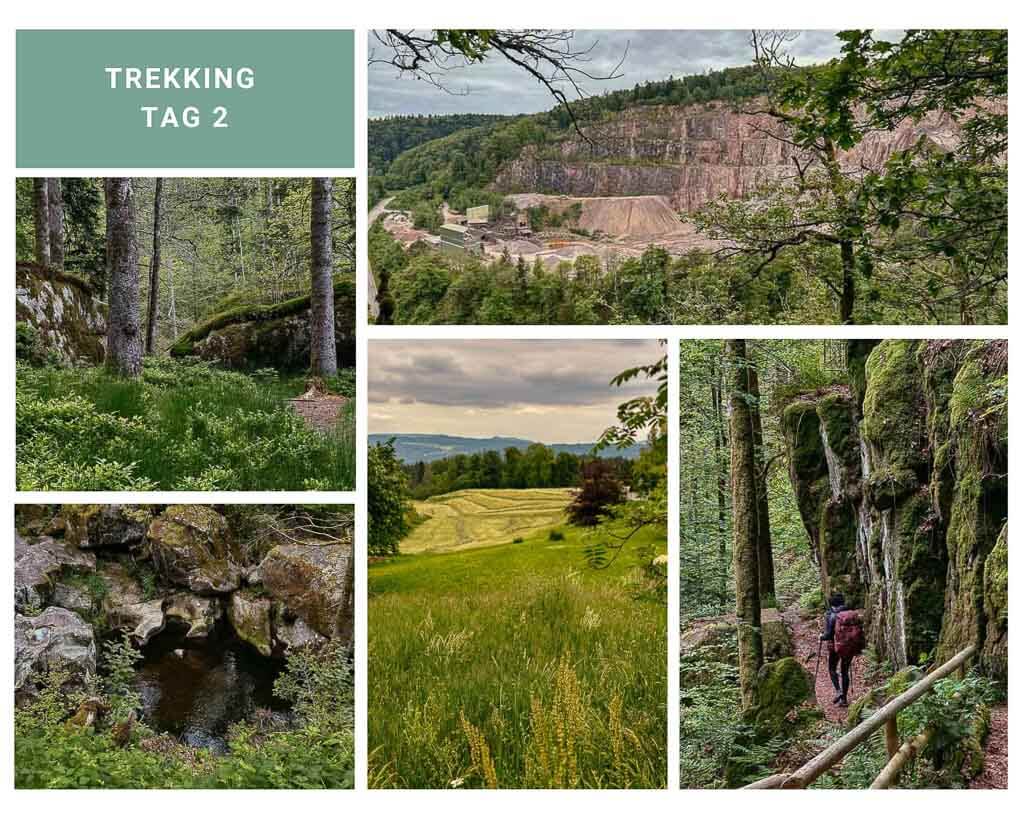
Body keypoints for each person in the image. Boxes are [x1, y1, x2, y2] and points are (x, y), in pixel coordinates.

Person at [821, 592, 853, 706]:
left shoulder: (832, 615)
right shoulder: (850, 613)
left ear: (832, 604)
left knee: (832, 669)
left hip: (836, 647)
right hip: (849, 647)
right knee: (845, 672)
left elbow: (828, 635)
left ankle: (838, 691)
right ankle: (844, 700)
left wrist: (821, 636)